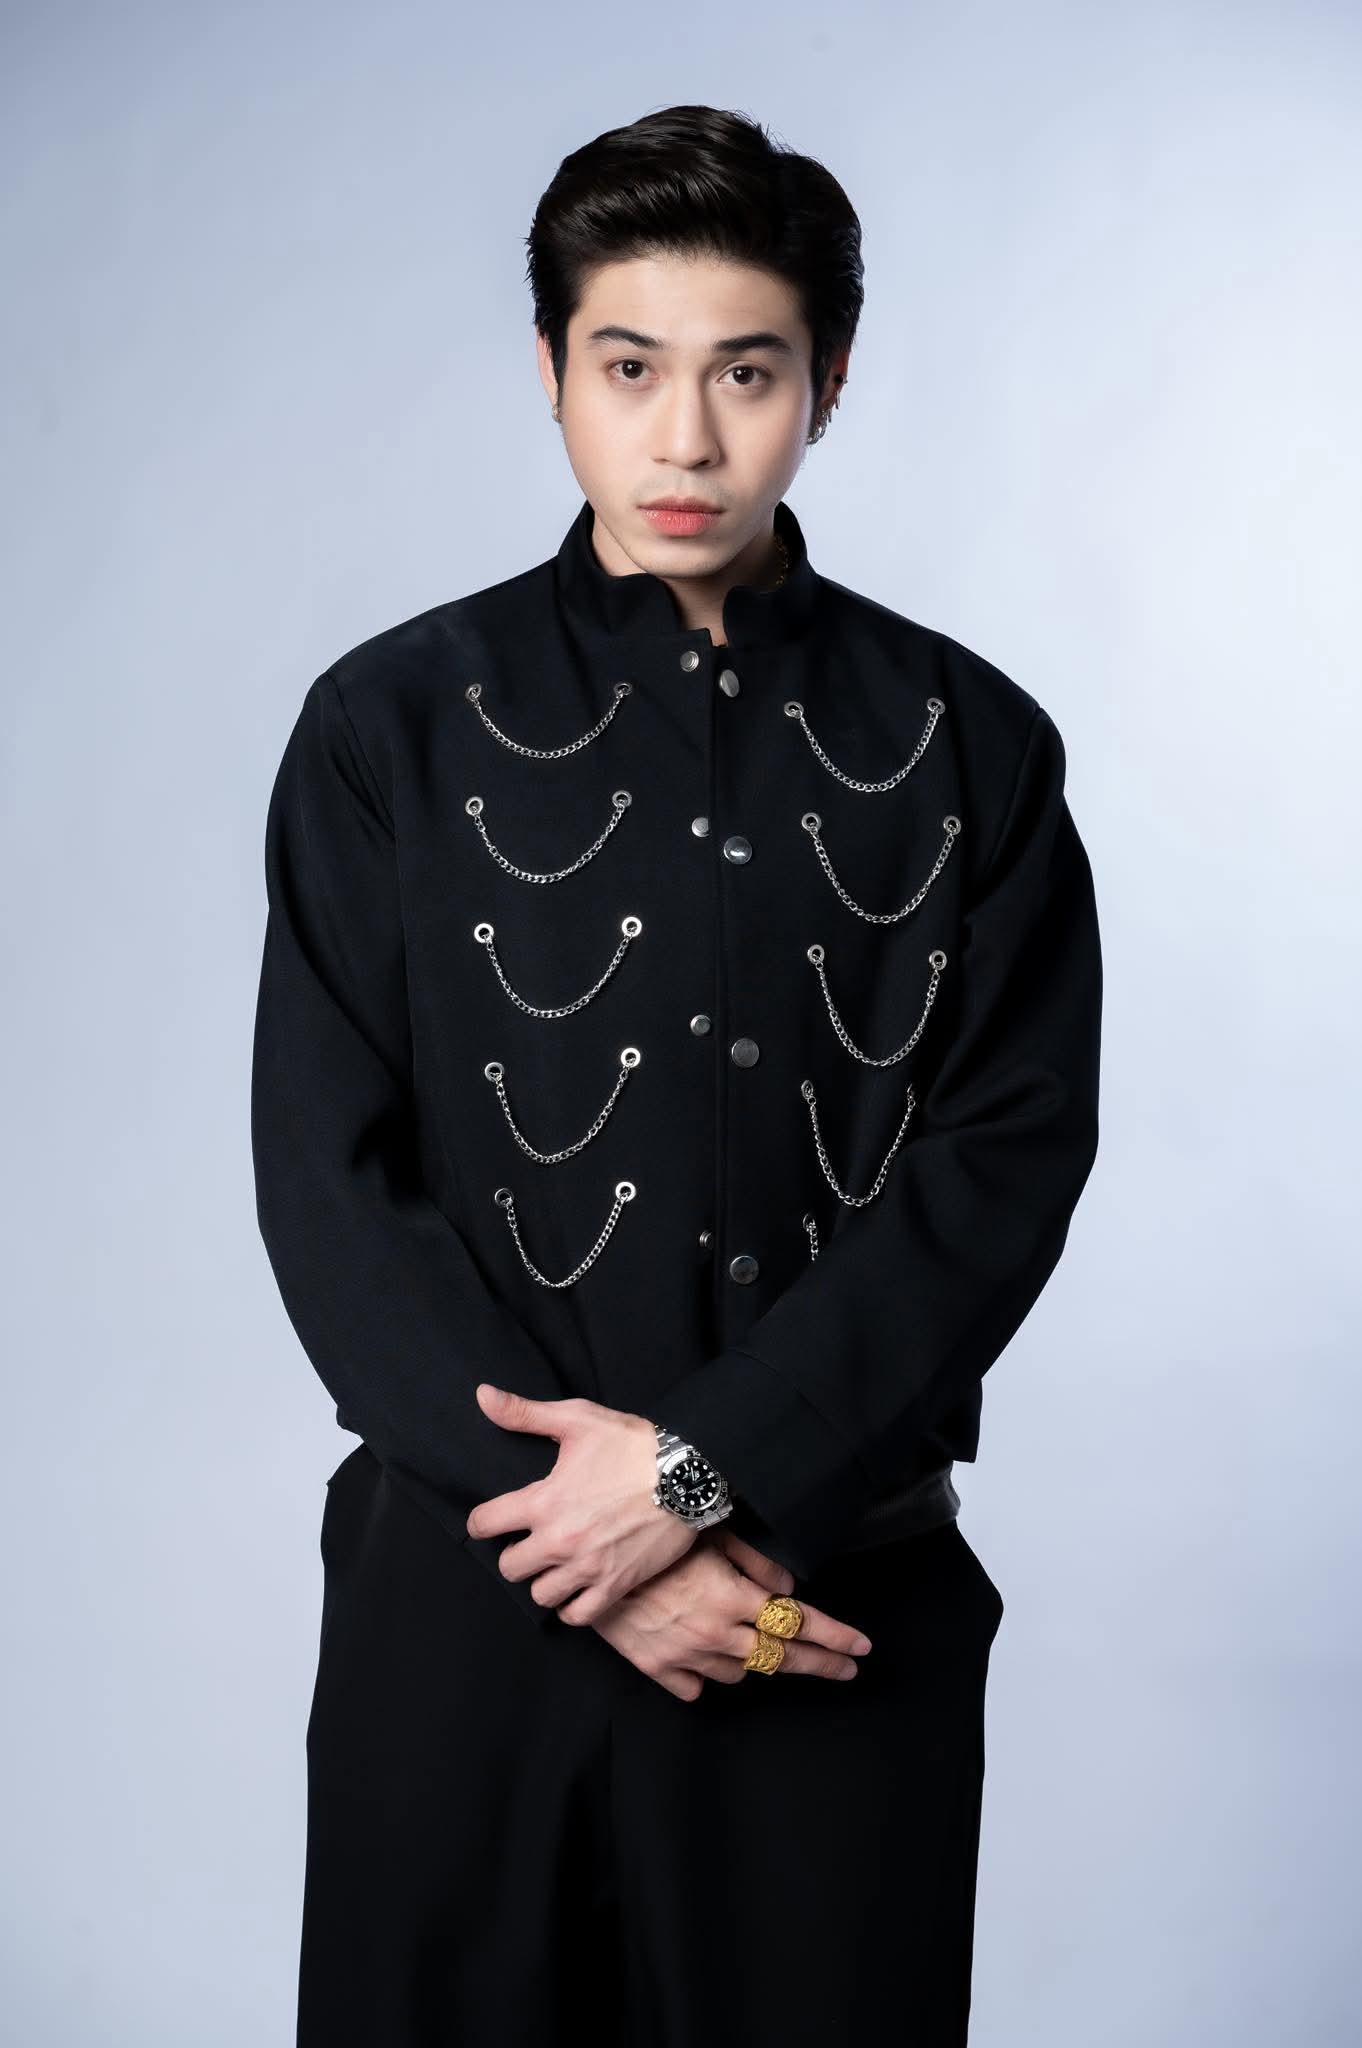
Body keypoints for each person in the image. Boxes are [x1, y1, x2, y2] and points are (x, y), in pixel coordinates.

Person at [250, 102, 1103, 2048]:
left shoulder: (972, 745)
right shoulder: (388, 729)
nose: (688, 440)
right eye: (630, 369)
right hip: (465, 1613)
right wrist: (591, 1541)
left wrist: (708, 1476)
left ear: (830, 380)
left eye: (748, 371)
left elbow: (1000, 1166)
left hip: (823, 1612)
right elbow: (326, 1175)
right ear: (551, 371)